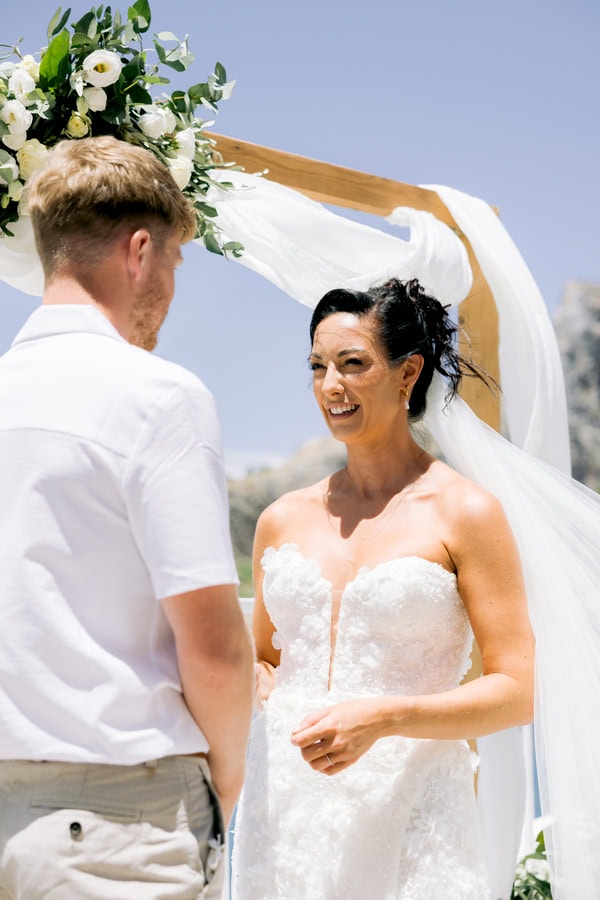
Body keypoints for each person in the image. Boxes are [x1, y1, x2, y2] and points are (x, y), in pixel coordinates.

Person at [0, 135, 254, 899]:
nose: (173, 285)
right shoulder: (159, 397)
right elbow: (211, 644)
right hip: (114, 828)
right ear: (139, 249)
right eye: (176, 260)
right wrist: (220, 795)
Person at [231, 277, 535, 899]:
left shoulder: (466, 513)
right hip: (284, 814)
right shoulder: (281, 519)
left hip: (412, 818)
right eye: (317, 366)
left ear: (407, 373)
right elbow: (265, 659)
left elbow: (518, 690)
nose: (330, 386)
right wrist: (255, 685)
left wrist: (388, 717)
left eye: (352, 364)